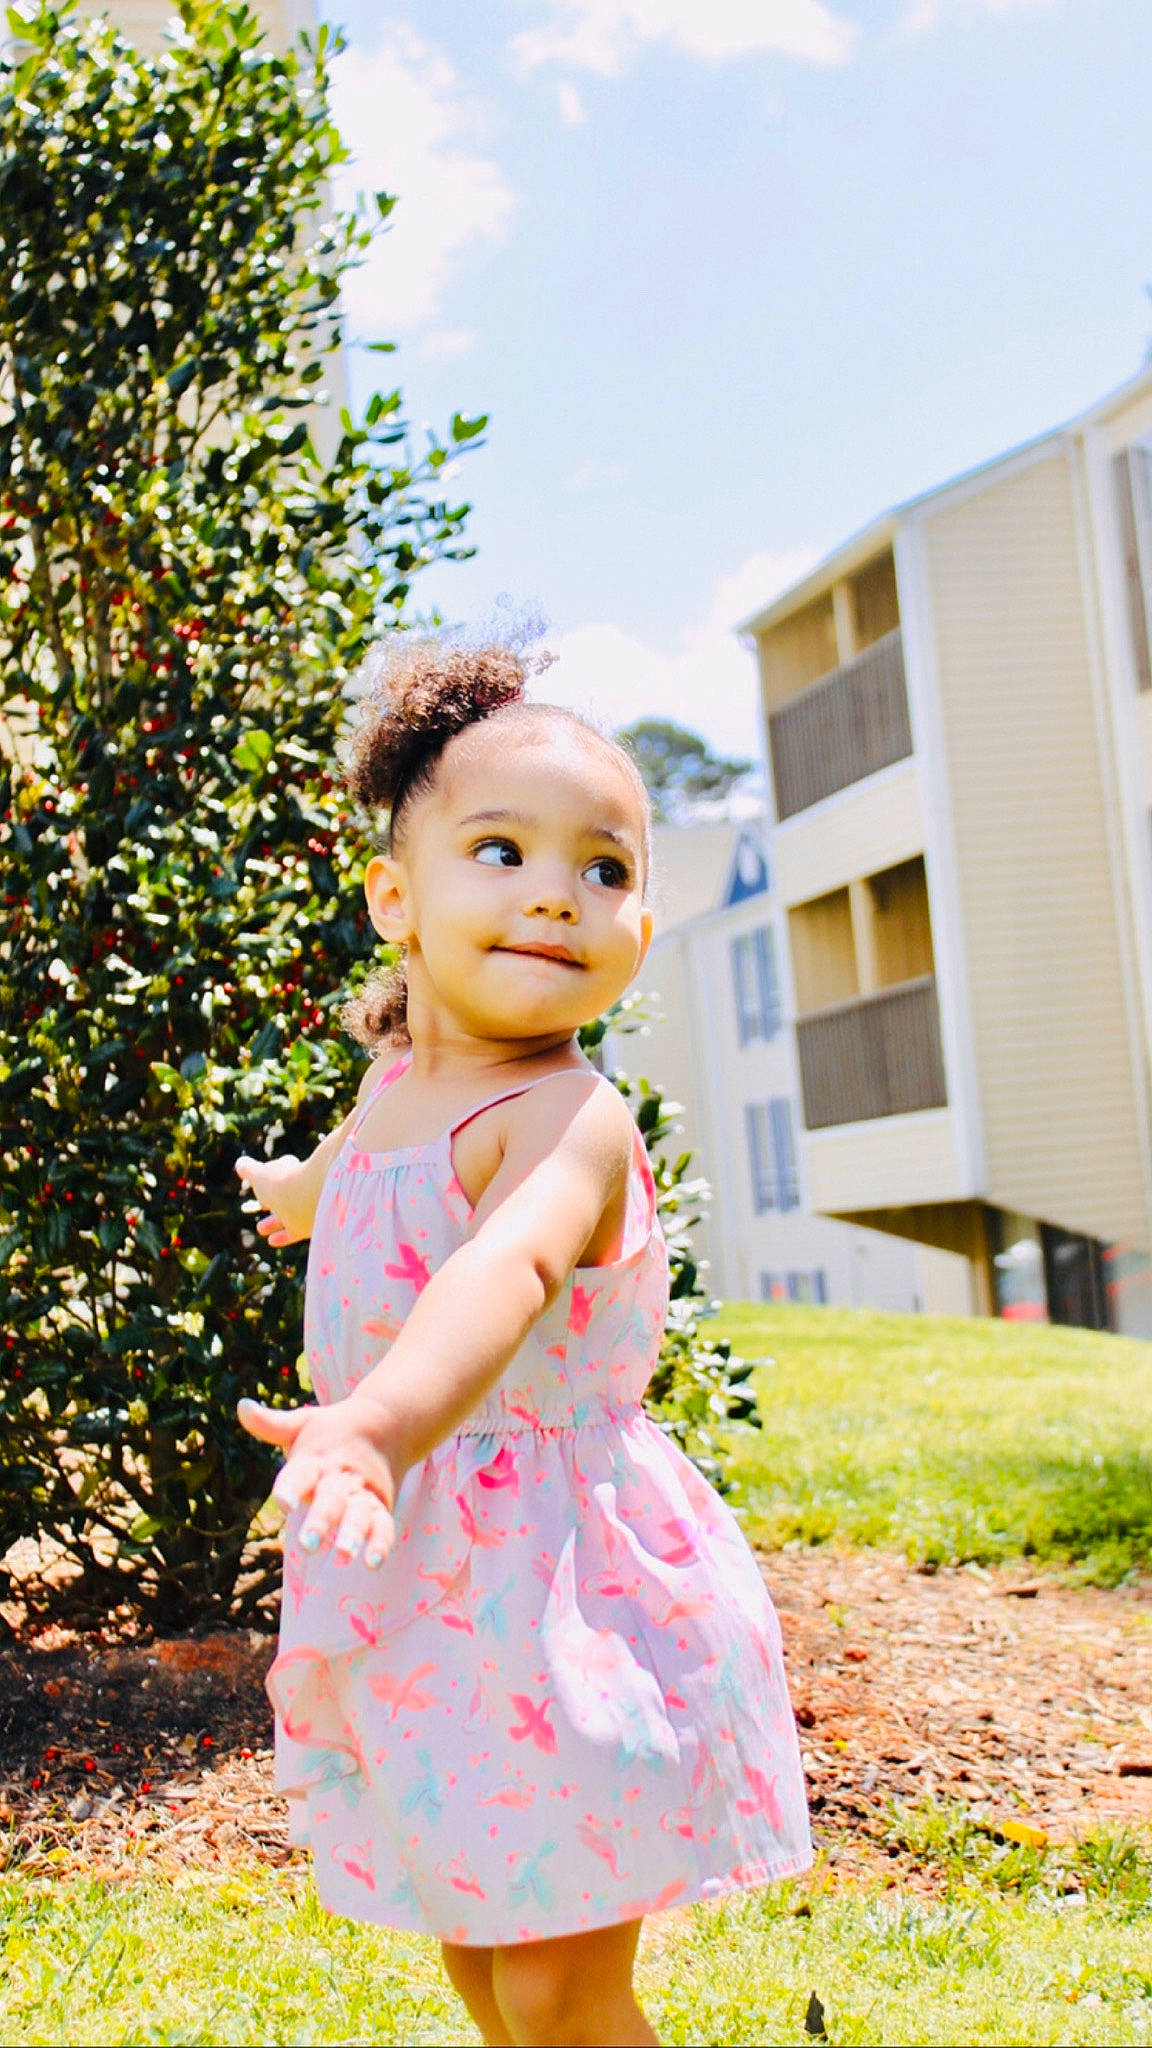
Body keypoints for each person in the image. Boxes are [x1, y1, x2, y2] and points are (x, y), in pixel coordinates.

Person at [235, 637, 812, 2048]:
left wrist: (373, 1425)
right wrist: (300, 1196)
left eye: (605, 869)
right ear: (397, 901)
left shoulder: (570, 1120)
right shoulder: (397, 1089)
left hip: (562, 1593)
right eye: (501, 850)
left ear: (640, 934)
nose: (558, 890)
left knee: (560, 1983)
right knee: (486, 1954)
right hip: (437, 1600)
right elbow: (361, 1157)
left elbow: (501, 1270)